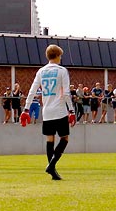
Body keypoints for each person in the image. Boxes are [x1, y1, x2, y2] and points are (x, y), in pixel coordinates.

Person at [22, 44, 76, 180]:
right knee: (64, 138)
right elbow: (66, 93)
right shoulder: (62, 71)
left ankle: (52, 171)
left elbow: (32, 91)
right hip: (59, 110)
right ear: (57, 56)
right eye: (60, 56)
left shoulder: (41, 71)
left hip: (46, 111)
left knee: (49, 139)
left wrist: (26, 109)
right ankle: (51, 165)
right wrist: (71, 110)